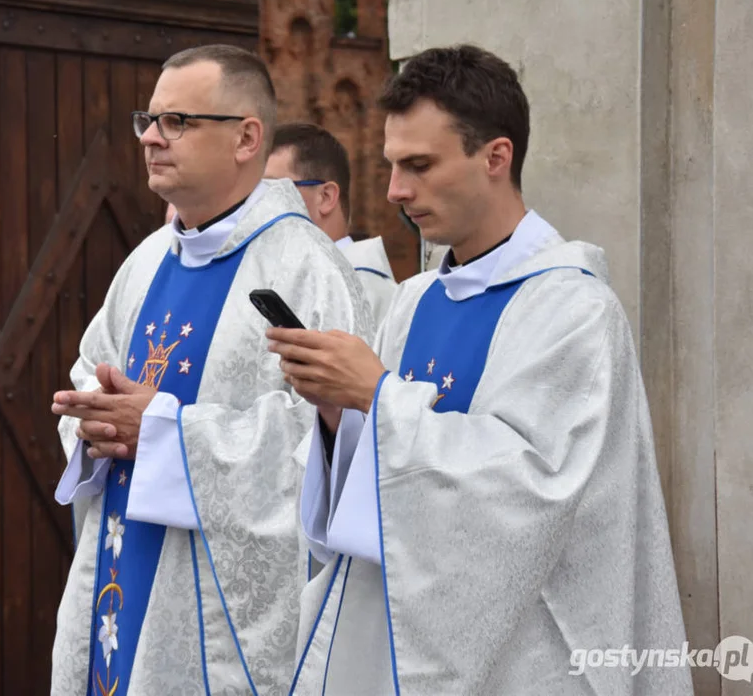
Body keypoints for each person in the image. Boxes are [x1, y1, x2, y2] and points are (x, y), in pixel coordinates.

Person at [268, 45, 691, 695]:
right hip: (398, 642)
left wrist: (377, 396)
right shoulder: (413, 302)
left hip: (527, 652)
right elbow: (376, 472)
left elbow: (533, 490)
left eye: (419, 166)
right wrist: (337, 415)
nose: (394, 191)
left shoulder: (571, 308)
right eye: (390, 166)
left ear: (495, 157)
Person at [48, 44, 372, 695]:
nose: (149, 137)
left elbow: (331, 438)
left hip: (220, 615)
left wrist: (166, 434)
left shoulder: (303, 266)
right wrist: (97, 422)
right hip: (120, 554)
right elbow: (93, 365)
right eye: (148, 118)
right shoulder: (144, 261)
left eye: (177, 121)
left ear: (246, 137)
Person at [266, 122, 397, 327]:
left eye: (271, 190)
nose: (256, 206)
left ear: (325, 197)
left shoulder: (363, 290)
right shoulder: (288, 281)